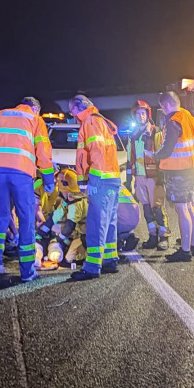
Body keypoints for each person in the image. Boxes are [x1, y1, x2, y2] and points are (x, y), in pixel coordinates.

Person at [0, 97, 55, 280]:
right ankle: (27, 271)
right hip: (21, 172)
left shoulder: (0, 114)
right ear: (35, 109)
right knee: (26, 220)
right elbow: (43, 152)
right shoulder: (35, 119)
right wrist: (48, 179)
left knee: (1, 218)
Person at [68, 94, 121, 280]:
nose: (71, 114)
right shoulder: (100, 120)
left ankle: (92, 267)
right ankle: (109, 260)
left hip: (101, 180)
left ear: (78, 107)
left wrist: (92, 181)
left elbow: (96, 152)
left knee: (97, 222)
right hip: (112, 179)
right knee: (109, 221)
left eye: (71, 110)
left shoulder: (90, 122)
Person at [153, 90, 194, 262]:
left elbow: (167, 149)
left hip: (179, 171)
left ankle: (185, 250)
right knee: (189, 206)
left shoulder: (173, 121)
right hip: (191, 168)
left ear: (166, 105)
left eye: (162, 107)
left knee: (182, 208)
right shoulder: (187, 116)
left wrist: (153, 155)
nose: (163, 111)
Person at [126, 101, 170, 250]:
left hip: (153, 176)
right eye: (138, 114)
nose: (141, 116)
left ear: (148, 114)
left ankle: (164, 237)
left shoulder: (155, 132)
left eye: (143, 113)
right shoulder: (132, 135)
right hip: (139, 176)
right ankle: (152, 236)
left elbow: (162, 155)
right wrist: (128, 179)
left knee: (157, 207)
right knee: (146, 208)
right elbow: (129, 158)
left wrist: (162, 176)